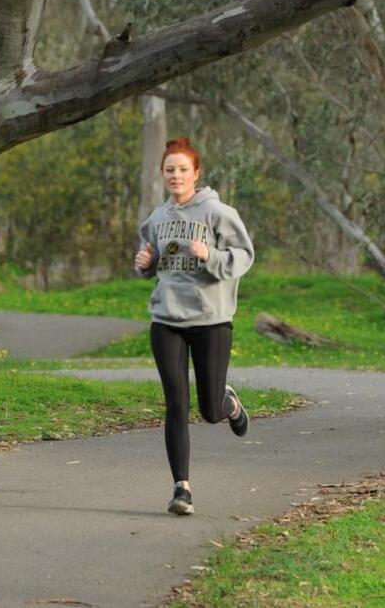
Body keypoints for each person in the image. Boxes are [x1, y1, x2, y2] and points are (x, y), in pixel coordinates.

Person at [133, 137, 255, 516]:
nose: (176, 175)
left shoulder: (218, 213)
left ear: (196, 173)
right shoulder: (157, 219)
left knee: (207, 409)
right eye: (170, 169)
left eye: (183, 169)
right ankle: (181, 489)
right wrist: (143, 264)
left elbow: (244, 256)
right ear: (163, 174)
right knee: (176, 404)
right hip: (166, 319)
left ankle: (228, 405)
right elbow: (151, 261)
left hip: (211, 321)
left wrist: (211, 255)